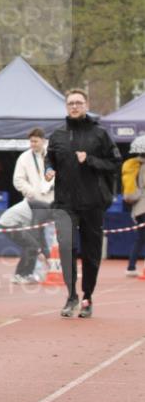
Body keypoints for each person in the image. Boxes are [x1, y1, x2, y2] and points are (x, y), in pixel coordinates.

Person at [45, 89, 121, 318]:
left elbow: (115, 163)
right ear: (66, 107)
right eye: (71, 103)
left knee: (91, 253)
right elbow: (50, 158)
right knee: (67, 249)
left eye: (79, 103)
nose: (75, 107)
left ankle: (87, 296)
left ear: (86, 105)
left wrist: (90, 160)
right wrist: (48, 169)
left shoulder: (99, 134)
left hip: (92, 202)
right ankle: (71, 297)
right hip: (64, 203)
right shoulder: (58, 134)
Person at [10, 126, 54, 281]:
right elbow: (18, 180)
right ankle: (26, 272)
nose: (33, 144)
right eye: (31, 141)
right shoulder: (24, 157)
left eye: (36, 141)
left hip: (51, 202)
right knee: (35, 238)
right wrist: (31, 192)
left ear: (43, 140)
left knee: (49, 237)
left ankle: (41, 270)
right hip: (33, 203)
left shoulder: (52, 155)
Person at [123, 135, 145, 276]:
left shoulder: (134, 164)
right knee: (140, 238)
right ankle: (131, 267)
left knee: (140, 238)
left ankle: (131, 267)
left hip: (138, 208)